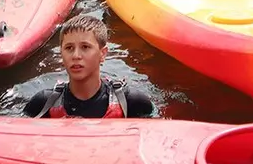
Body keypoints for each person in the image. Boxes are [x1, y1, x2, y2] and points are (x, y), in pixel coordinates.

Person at [23, 14, 155, 118]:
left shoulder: (132, 102)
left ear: (102, 54)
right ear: (61, 54)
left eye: (85, 47)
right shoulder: (43, 104)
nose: (76, 55)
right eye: (69, 48)